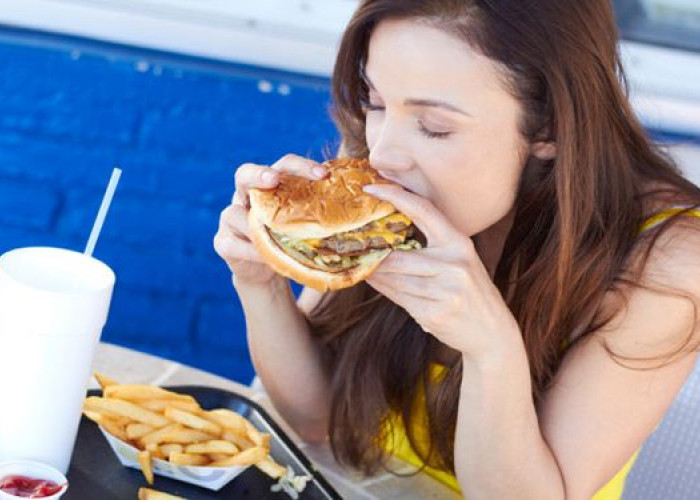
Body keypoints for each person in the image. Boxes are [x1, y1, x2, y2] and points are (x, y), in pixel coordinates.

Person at [214, 1, 700, 498]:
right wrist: (261, 281)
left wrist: (490, 346)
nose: (380, 155)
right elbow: (315, 419)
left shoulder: (668, 261)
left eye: (435, 127)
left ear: (550, 126)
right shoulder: (380, 162)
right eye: (376, 102)